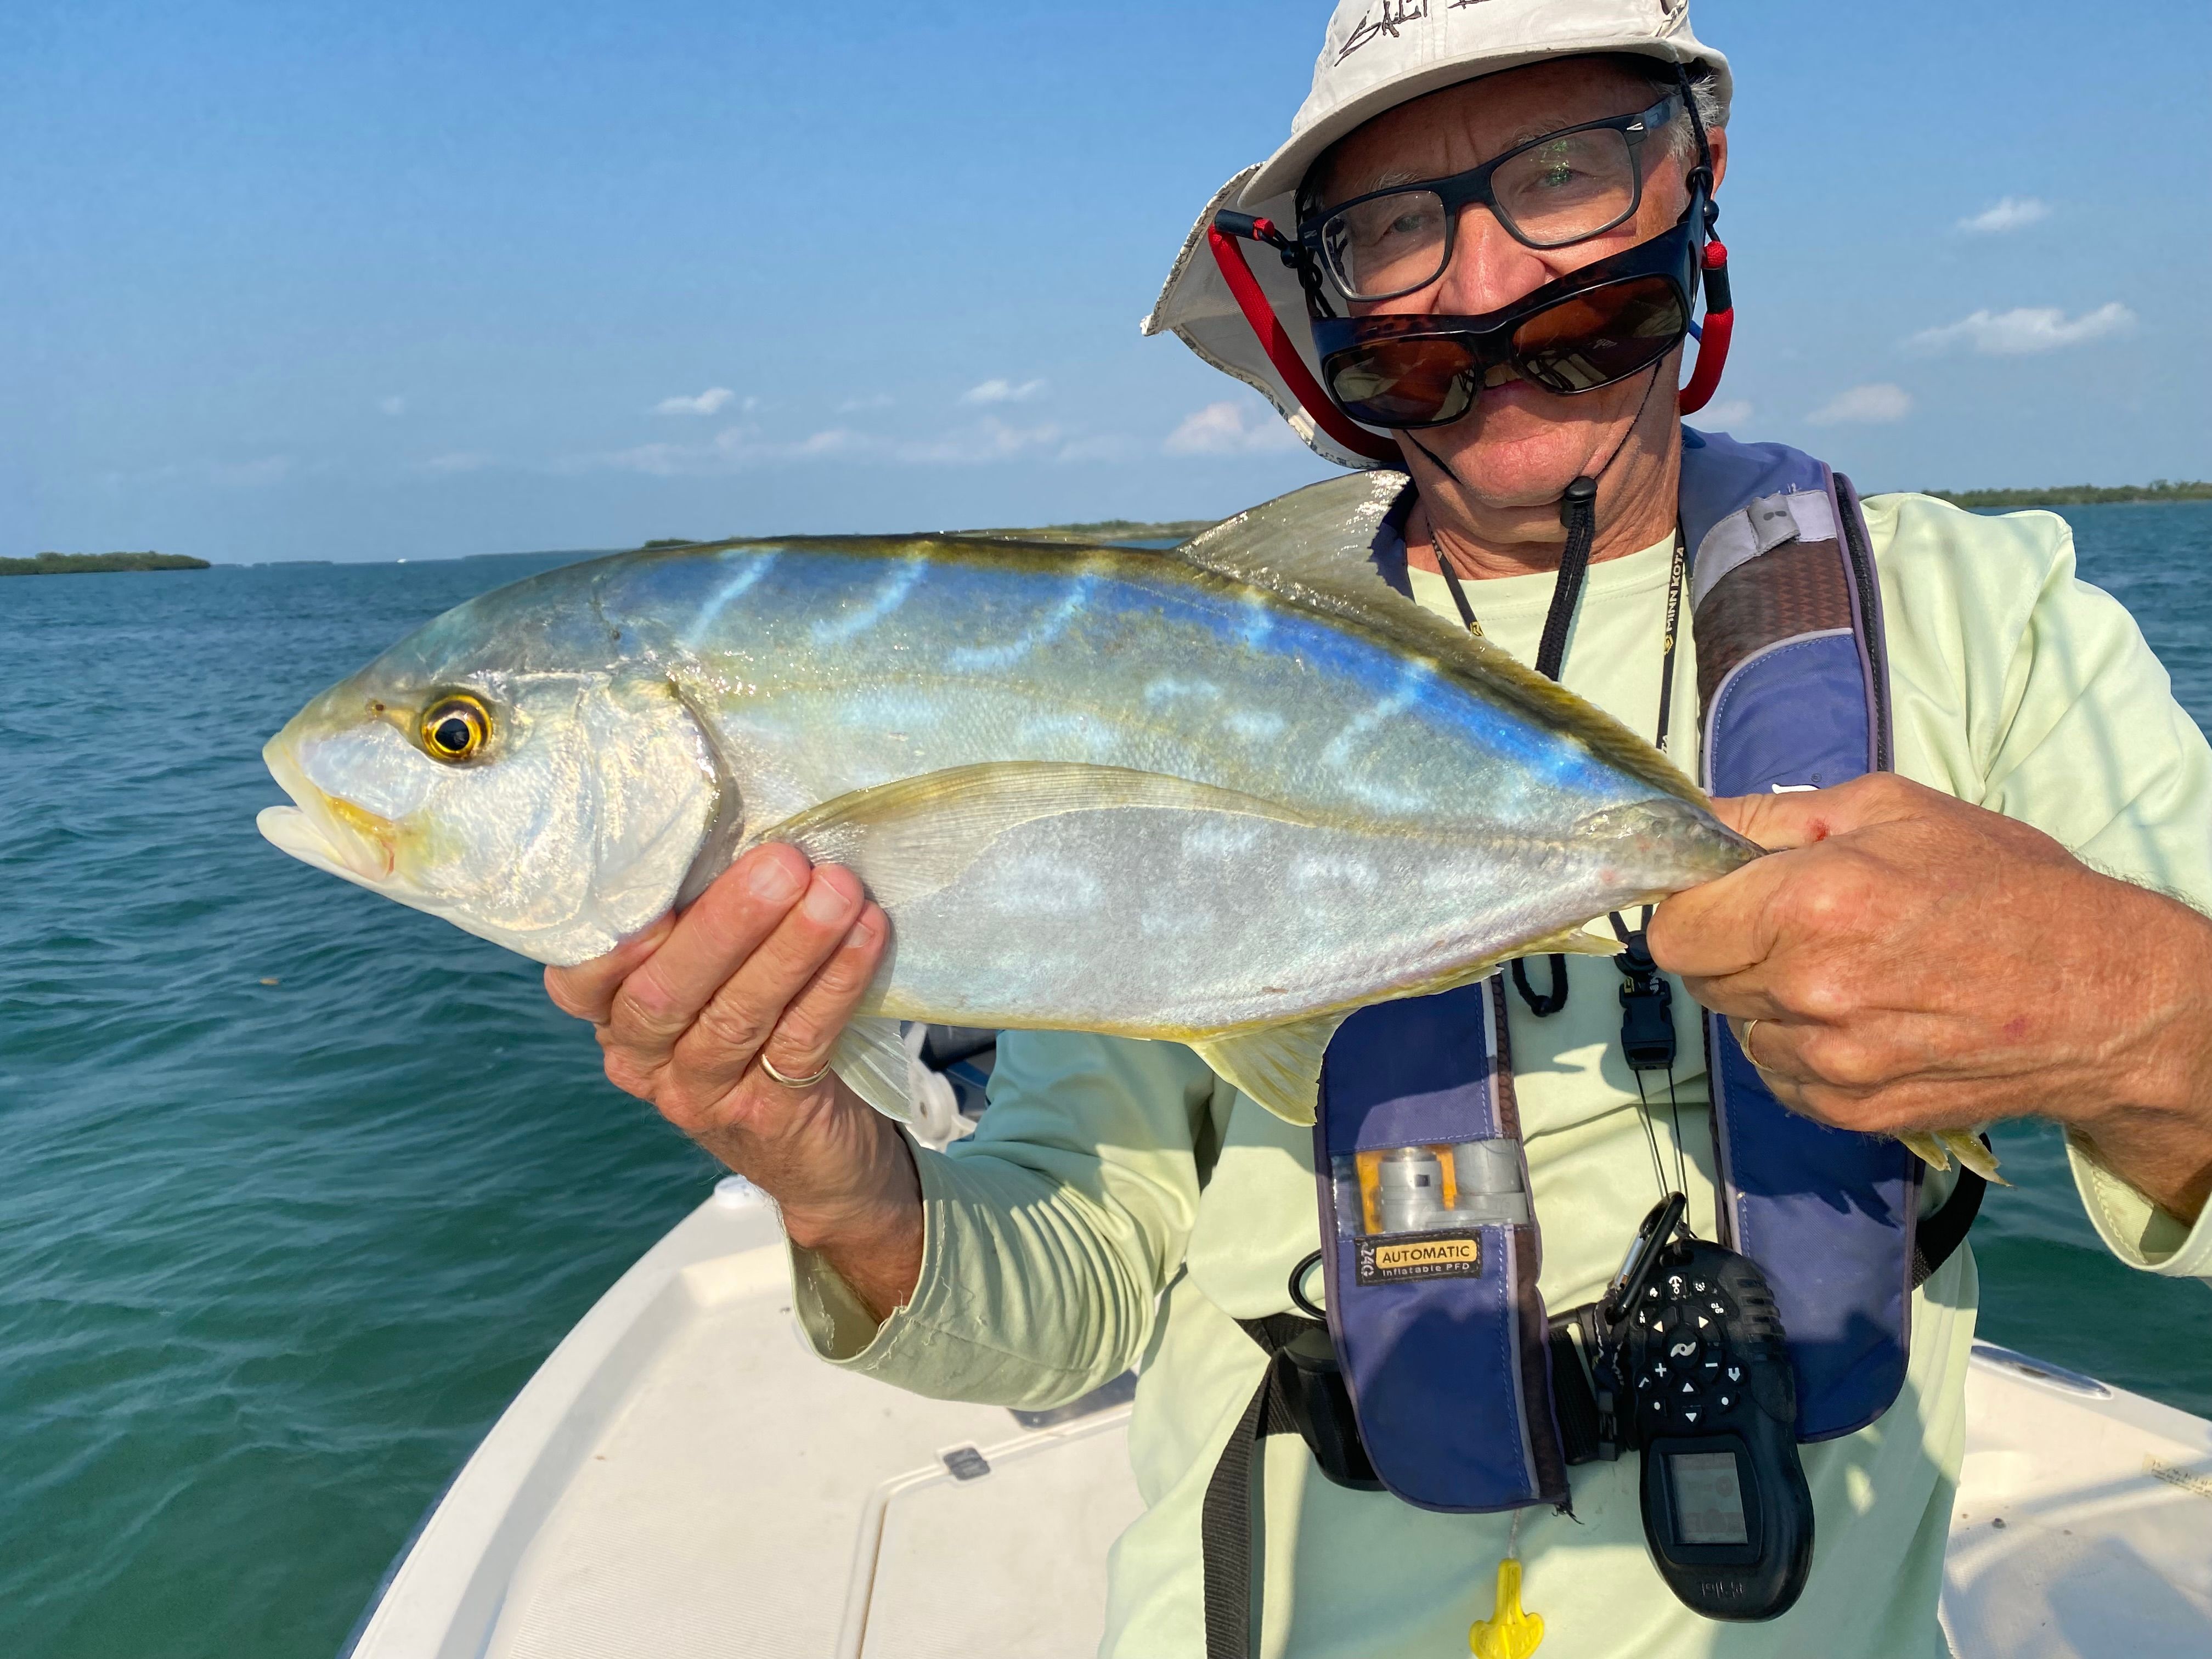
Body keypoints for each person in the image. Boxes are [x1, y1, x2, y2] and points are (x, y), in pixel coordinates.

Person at [543, 4, 2212, 1653]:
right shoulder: (1148, 673)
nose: (1483, 284)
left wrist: (2132, 1018)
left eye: (1565, 172)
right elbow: (1077, 1294)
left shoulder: (1987, 619)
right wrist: (839, 1188)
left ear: (1693, 185)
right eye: (1394, 227)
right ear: (1318, 293)